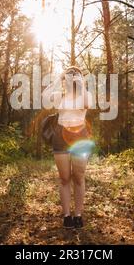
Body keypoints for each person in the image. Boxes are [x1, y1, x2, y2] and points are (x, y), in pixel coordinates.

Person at [42, 66, 94, 229]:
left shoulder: (85, 95)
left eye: (75, 74)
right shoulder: (59, 96)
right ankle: (66, 215)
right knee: (64, 178)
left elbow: (87, 104)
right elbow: (44, 98)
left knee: (79, 177)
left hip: (80, 138)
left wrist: (82, 84)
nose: (73, 77)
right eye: (70, 75)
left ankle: (78, 215)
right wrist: (59, 77)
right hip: (60, 137)